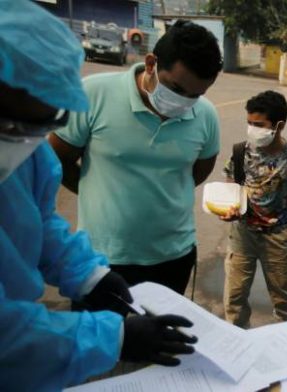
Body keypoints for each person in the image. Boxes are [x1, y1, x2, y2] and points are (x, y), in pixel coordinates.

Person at [0, 1, 197, 390]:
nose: (23, 139)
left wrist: (89, 274)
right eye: (9, 123)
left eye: (41, 124)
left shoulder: (27, 154)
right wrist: (116, 337)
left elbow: (37, 221)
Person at [49, 20, 223, 295]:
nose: (183, 101)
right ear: (152, 63)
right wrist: (93, 190)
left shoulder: (206, 115)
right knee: (100, 336)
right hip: (102, 257)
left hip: (173, 257)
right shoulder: (94, 94)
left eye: (196, 95)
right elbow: (57, 158)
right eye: (176, 89)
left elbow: (196, 173)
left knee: (164, 336)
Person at [220, 91, 287, 328]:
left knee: (285, 302)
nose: (252, 129)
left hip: (277, 237)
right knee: (234, 299)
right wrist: (230, 208)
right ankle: (238, 342)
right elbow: (231, 186)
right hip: (242, 235)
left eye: (259, 124)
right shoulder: (240, 151)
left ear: (279, 125)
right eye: (249, 123)